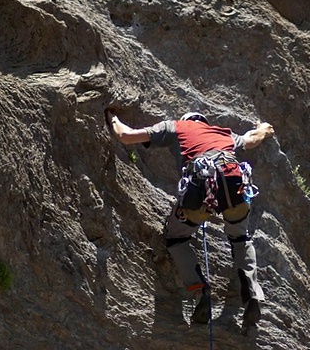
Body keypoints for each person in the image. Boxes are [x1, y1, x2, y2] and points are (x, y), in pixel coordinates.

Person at [105, 110, 275, 327]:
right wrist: (264, 128)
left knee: (176, 237)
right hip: (235, 184)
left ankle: (200, 292)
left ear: (186, 120)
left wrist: (112, 117)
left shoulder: (175, 127)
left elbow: (126, 136)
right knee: (240, 237)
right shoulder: (222, 133)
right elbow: (252, 139)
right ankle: (251, 294)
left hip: (201, 188)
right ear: (204, 122)